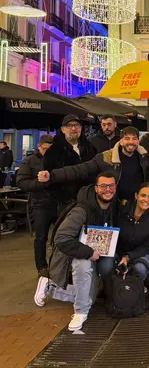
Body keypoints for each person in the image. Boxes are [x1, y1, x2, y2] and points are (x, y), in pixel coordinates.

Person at [34, 171, 119, 331]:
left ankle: (50, 286)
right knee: (83, 266)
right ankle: (80, 312)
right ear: (95, 188)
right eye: (103, 186)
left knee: (91, 297)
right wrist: (88, 252)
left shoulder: (113, 206)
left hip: (98, 253)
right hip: (74, 255)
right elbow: (61, 238)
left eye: (111, 186)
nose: (108, 189)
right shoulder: (81, 210)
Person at [38, 127, 149, 203]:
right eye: (127, 138)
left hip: (136, 204)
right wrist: (52, 175)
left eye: (134, 139)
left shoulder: (144, 157)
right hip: (113, 205)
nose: (131, 142)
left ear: (138, 141)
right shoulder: (106, 158)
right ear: (121, 141)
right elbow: (80, 170)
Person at [98, 182, 149, 281]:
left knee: (140, 269)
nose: (146, 199)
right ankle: (109, 286)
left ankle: (134, 288)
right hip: (117, 251)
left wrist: (128, 257)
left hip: (139, 253)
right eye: (143, 195)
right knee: (105, 266)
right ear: (136, 196)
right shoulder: (122, 209)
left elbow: (147, 247)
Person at [16, 134, 56, 277]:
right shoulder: (29, 161)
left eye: (51, 150)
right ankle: (41, 267)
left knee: (62, 236)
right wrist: (41, 183)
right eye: (45, 149)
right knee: (41, 237)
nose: (48, 152)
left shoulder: (59, 159)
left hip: (59, 203)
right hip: (40, 204)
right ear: (39, 147)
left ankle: (59, 265)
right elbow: (21, 182)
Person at [42, 114, 96, 210]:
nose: (74, 128)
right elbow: (48, 178)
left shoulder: (90, 148)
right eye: (70, 126)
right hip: (66, 204)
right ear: (63, 129)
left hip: (90, 200)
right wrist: (63, 199)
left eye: (77, 125)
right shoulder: (53, 151)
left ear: (81, 128)